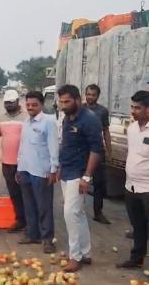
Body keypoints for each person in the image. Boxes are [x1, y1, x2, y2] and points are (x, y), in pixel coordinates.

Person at [57, 85, 103, 272]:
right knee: (79, 213)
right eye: (61, 102)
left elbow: (96, 150)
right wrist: (60, 167)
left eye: (67, 101)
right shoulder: (68, 117)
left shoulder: (90, 120)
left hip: (79, 173)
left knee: (70, 214)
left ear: (77, 99)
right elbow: (66, 144)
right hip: (66, 171)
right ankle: (86, 253)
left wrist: (87, 176)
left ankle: (74, 256)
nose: (63, 105)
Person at [16, 91, 59, 254]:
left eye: (34, 105)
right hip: (26, 169)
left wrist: (53, 169)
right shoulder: (26, 122)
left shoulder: (48, 122)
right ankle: (32, 234)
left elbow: (53, 147)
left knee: (44, 207)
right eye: (28, 105)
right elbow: (23, 146)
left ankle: (47, 239)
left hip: (42, 171)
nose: (30, 108)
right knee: (29, 205)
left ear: (41, 105)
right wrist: (19, 168)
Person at [0, 89, 28, 233]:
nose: (8, 105)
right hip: (7, 163)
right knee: (14, 193)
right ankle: (20, 220)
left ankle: (31, 222)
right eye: (6, 103)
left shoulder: (26, 117)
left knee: (26, 193)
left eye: (11, 102)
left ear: (17, 102)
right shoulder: (1, 118)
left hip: (23, 163)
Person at [116, 90, 149, 269]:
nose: (133, 111)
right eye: (132, 107)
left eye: (137, 108)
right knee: (138, 226)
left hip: (148, 189)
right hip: (131, 187)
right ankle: (136, 259)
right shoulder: (132, 129)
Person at [83, 84, 112, 224]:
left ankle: (98, 212)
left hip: (98, 151)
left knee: (100, 182)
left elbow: (106, 131)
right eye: (88, 94)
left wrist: (109, 150)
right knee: (79, 181)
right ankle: (77, 210)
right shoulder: (79, 109)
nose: (90, 97)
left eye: (93, 95)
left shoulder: (103, 111)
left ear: (98, 96)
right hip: (82, 152)